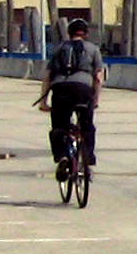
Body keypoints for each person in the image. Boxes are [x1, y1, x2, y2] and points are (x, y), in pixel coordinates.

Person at [34, 18, 104, 180]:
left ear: (69, 33)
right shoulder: (93, 49)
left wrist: (43, 101)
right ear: (86, 34)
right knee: (87, 127)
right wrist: (95, 100)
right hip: (83, 90)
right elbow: (98, 78)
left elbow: (47, 77)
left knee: (59, 126)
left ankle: (63, 156)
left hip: (61, 90)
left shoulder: (60, 49)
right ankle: (88, 158)